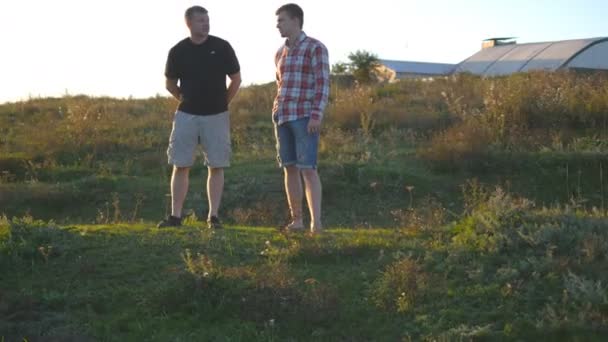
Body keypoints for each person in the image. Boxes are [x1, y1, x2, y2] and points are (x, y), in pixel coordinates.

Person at [157, 5, 241, 229]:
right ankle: (175, 217)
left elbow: (236, 79)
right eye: (201, 20)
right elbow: (169, 83)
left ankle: (213, 217)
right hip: (186, 115)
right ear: (189, 24)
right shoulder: (178, 51)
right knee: (180, 164)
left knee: (216, 165)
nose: (206, 23)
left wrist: (223, 102)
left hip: (217, 115)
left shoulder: (221, 47)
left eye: (207, 19)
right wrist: (183, 98)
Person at [273, 3, 330, 233]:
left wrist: (316, 115)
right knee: (289, 168)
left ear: (295, 20)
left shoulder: (315, 47)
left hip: (305, 116)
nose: (277, 25)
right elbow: (280, 85)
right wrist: (276, 112)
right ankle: (297, 220)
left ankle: (316, 223)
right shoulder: (280, 52)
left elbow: (323, 83)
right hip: (283, 116)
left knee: (308, 168)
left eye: (281, 20)